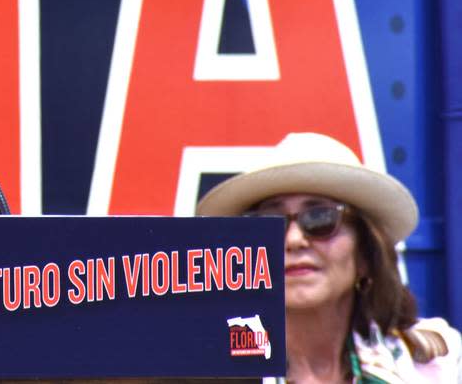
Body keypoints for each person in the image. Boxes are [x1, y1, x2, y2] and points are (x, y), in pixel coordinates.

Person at [196, 132, 461, 383]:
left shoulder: (433, 362)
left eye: (321, 219)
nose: (294, 240)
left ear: (366, 256)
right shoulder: (204, 370)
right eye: (271, 223)